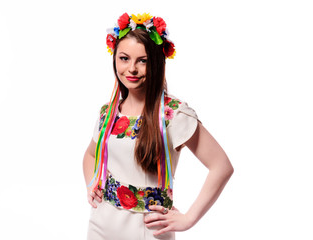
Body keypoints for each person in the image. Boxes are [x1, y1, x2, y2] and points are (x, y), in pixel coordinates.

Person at [83, 12, 234, 240]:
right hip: (101, 226)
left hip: (149, 230)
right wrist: (92, 184)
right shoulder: (109, 112)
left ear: (156, 63)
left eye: (142, 61)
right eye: (124, 58)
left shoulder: (173, 115)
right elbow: (90, 155)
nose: (131, 69)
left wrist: (189, 218)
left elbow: (221, 166)